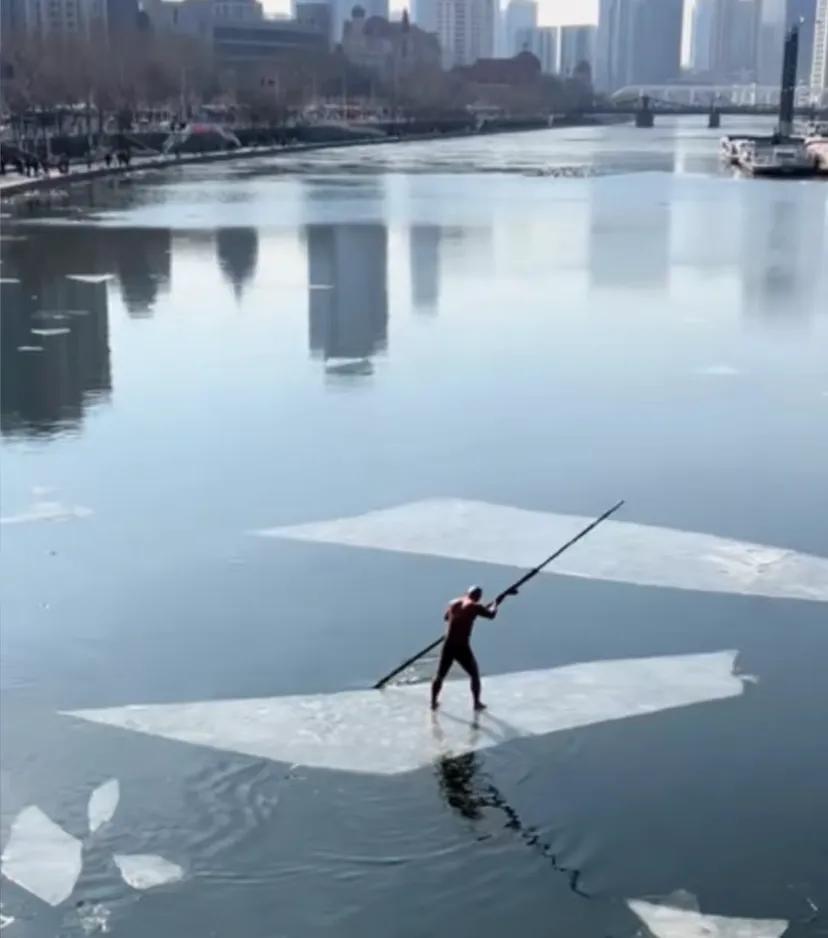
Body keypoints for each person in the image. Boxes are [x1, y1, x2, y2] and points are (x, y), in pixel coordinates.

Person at [431, 586, 502, 712]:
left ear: (467, 593)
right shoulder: (474, 606)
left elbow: (446, 618)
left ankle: (433, 703)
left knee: (440, 674)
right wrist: (496, 603)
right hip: (461, 646)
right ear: (478, 597)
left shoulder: (454, 603)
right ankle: (476, 703)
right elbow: (491, 615)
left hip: (448, 644)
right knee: (474, 674)